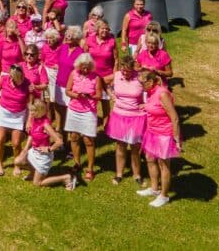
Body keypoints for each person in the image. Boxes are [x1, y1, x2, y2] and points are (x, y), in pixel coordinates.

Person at [138, 69, 182, 207]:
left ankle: (164, 196)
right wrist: (146, 106)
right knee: (150, 159)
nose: (140, 86)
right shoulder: (150, 92)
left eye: (142, 83)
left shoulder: (162, 94)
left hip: (164, 134)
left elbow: (174, 118)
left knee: (164, 165)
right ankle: (154, 189)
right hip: (152, 132)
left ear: (151, 82)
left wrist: (176, 139)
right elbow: (156, 108)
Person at [15, 99, 75, 189]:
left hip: (43, 157)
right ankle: (33, 173)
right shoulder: (35, 119)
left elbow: (59, 141)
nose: (30, 113)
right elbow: (31, 135)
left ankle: (66, 178)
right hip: (34, 152)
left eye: (32, 111)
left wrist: (49, 149)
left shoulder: (45, 125)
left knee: (37, 183)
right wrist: (25, 149)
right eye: (30, 110)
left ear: (39, 111)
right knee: (18, 161)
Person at [108, 54, 147, 186]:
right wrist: (111, 95)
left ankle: (137, 174)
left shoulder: (140, 77)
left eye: (128, 70)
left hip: (136, 117)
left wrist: (147, 104)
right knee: (121, 146)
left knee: (135, 147)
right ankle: (119, 174)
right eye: (123, 69)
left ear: (133, 69)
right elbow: (104, 83)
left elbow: (153, 87)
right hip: (119, 115)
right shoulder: (117, 75)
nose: (125, 73)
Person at [0, 65, 31, 176]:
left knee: (16, 143)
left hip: (18, 115)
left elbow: (31, 104)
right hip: (4, 113)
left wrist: (29, 120)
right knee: (0, 140)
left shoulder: (27, 84)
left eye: (16, 78)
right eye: (12, 77)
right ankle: (0, 164)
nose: (13, 79)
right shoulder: (4, 80)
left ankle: (17, 164)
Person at [65, 53, 103, 181]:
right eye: (83, 67)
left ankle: (90, 168)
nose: (85, 69)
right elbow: (67, 90)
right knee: (74, 137)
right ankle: (77, 163)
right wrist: (76, 95)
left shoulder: (96, 78)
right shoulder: (73, 74)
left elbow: (99, 95)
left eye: (87, 67)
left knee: (88, 140)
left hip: (88, 111)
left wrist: (90, 96)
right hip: (74, 110)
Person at [83, 19, 117, 126]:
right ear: (97, 29)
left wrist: (114, 76)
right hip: (92, 77)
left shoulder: (112, 41)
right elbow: (84, 58)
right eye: (103, 28)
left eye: (107, 29)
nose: (105, 31)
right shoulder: (89, 40)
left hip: (107, 77)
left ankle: (107, 128)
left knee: (106, 104)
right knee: (91, 103)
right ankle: (90, 126)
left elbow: (116, 60)